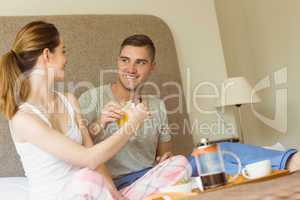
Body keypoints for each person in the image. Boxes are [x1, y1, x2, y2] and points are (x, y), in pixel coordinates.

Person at [79, 34, 300, 191]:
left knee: (211, 153)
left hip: (154, 174)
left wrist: (163, 160)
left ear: (152, 67)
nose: (130, 69)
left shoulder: (157, 106)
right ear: (118, 61)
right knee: (199, 165)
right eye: (125, 60)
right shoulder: (92, 98)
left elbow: (164, 155)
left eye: (140, 62)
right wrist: (99, 123)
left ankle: (289, 161)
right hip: (118, 183)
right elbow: (79, 153)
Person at [0, 21, 192, 200]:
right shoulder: (23, 119)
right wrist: (131, 124)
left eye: (140, 62)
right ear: (47, 55)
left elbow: (93, 154)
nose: (66, 59)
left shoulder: (69, 100)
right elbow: (89, 159)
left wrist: (115, 194)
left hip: (96, 190)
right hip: (72, 192)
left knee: (181, 163)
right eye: (63, 51)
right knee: (87, 179)